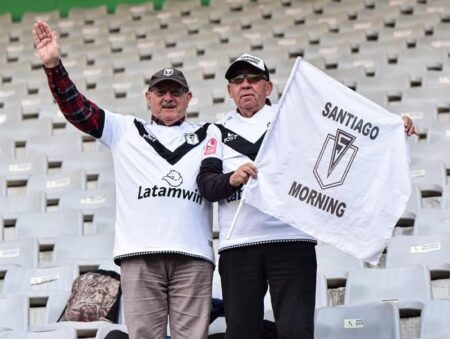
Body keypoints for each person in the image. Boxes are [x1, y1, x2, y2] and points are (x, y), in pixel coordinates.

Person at [196, 53, 418, 339]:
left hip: (292, 241)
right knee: (240, 333)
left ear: (268, 87)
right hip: (238, 246)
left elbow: (350, 135)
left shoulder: (295, 117)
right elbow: (206, 185)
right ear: (229, 90)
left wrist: (391, 127)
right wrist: (232, 179)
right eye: (237, 80)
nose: (245, 85)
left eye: (253, 79)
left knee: (296, 330)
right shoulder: (216, 130)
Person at [33, 21, 214, 339]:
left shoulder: (212, 133)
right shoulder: (123, 129)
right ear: (148, 97)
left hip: (193, 254)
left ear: (189, 98)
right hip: (139, 255)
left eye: (176, 92)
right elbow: (78, 111)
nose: (168, 98)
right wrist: (53, 67)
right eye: (160, 91)